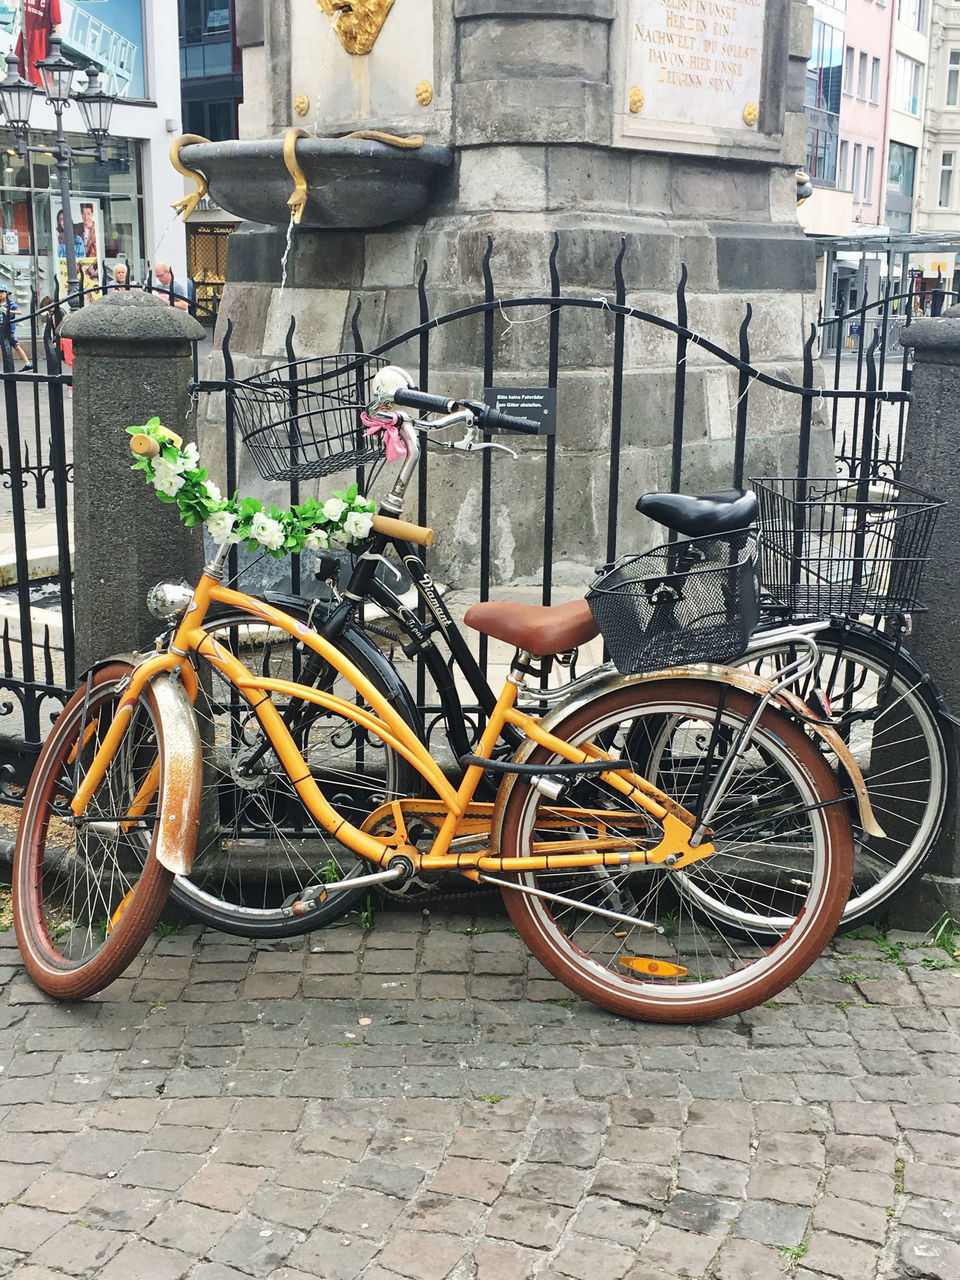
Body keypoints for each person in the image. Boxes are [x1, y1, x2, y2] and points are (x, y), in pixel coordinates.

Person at [0, 289, 33, 370]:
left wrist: (8, 310)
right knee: (15, 346)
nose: (0, 294)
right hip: (1, 328)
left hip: (8, 329)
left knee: (15, 346)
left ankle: (28, 364)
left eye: (2, 292)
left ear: (6, 293)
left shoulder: (11, 304)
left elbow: (19, 312)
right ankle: (28, 364)